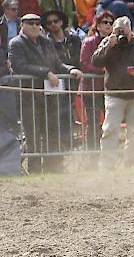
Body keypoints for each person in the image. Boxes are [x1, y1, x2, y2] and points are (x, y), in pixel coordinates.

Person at [8, 13, 82, 173]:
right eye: (31, 23)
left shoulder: (46, 42)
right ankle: (34, 169)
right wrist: (46, 73)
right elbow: (20, 66)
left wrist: (71, 69)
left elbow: (57, 63)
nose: (35, 26)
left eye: (37, 23)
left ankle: (53, 167)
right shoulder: (16, 44)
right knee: (32, 134)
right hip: (29, 95)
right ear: (22, 25)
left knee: (52, 132)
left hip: (49, 96)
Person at [91, 16, 134, 170]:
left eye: (125, 31)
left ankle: (131, 163)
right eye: (119, 31)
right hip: (114, 94)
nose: (122, 35)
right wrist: (109, 46)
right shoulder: (109, 42)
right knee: (110, 129)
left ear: (131, 30)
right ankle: (107, 164)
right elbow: (95, 61)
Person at [80, 10, 113, 150]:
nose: (108, 25)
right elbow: (84, 63)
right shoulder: (88, 42)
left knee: (110, 123)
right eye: (105, 22)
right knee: (93, 124)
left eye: (111, 23)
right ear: (97, 25)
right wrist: (101, 71)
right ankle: (92, 154)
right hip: (91, 89)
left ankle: (109, 152)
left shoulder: (115, 43)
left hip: (109, 89)